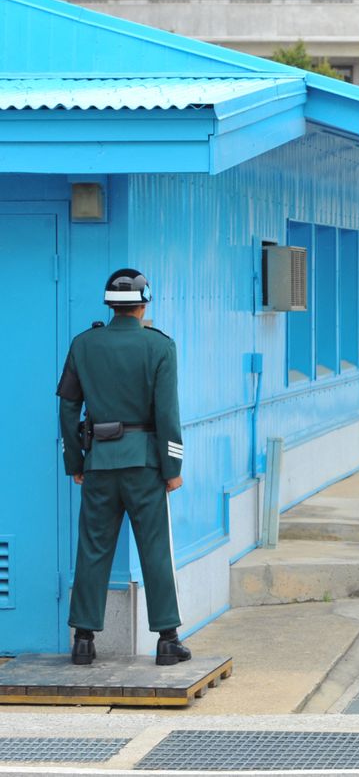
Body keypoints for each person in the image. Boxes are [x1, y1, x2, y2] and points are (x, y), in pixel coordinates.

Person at [56, 269, 191, 667]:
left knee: (93, 548)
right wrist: (172, 467)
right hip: (145, 465)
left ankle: (83, 640)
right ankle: (167, 640)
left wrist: (76, 461)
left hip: (99, 462)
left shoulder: (84, 344)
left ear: (109, 304)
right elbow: (167, 413)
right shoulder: (160, 347)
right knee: (154, 549)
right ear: (144, 302)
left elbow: (67, 407)